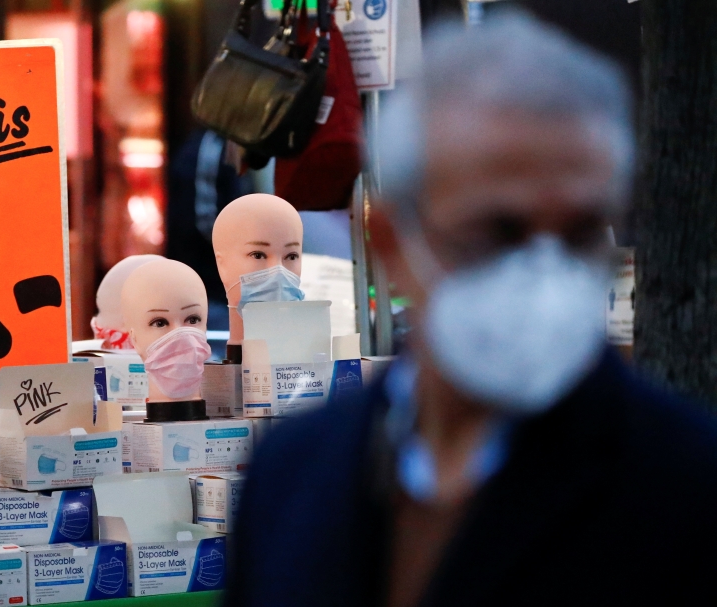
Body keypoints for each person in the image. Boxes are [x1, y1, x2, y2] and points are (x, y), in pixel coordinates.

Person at [226, 12, 717, 607]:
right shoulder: (294, 475)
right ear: (390, 243)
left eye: (582, 232)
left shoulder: (682, 485)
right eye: (497, 232)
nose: (543, 272)